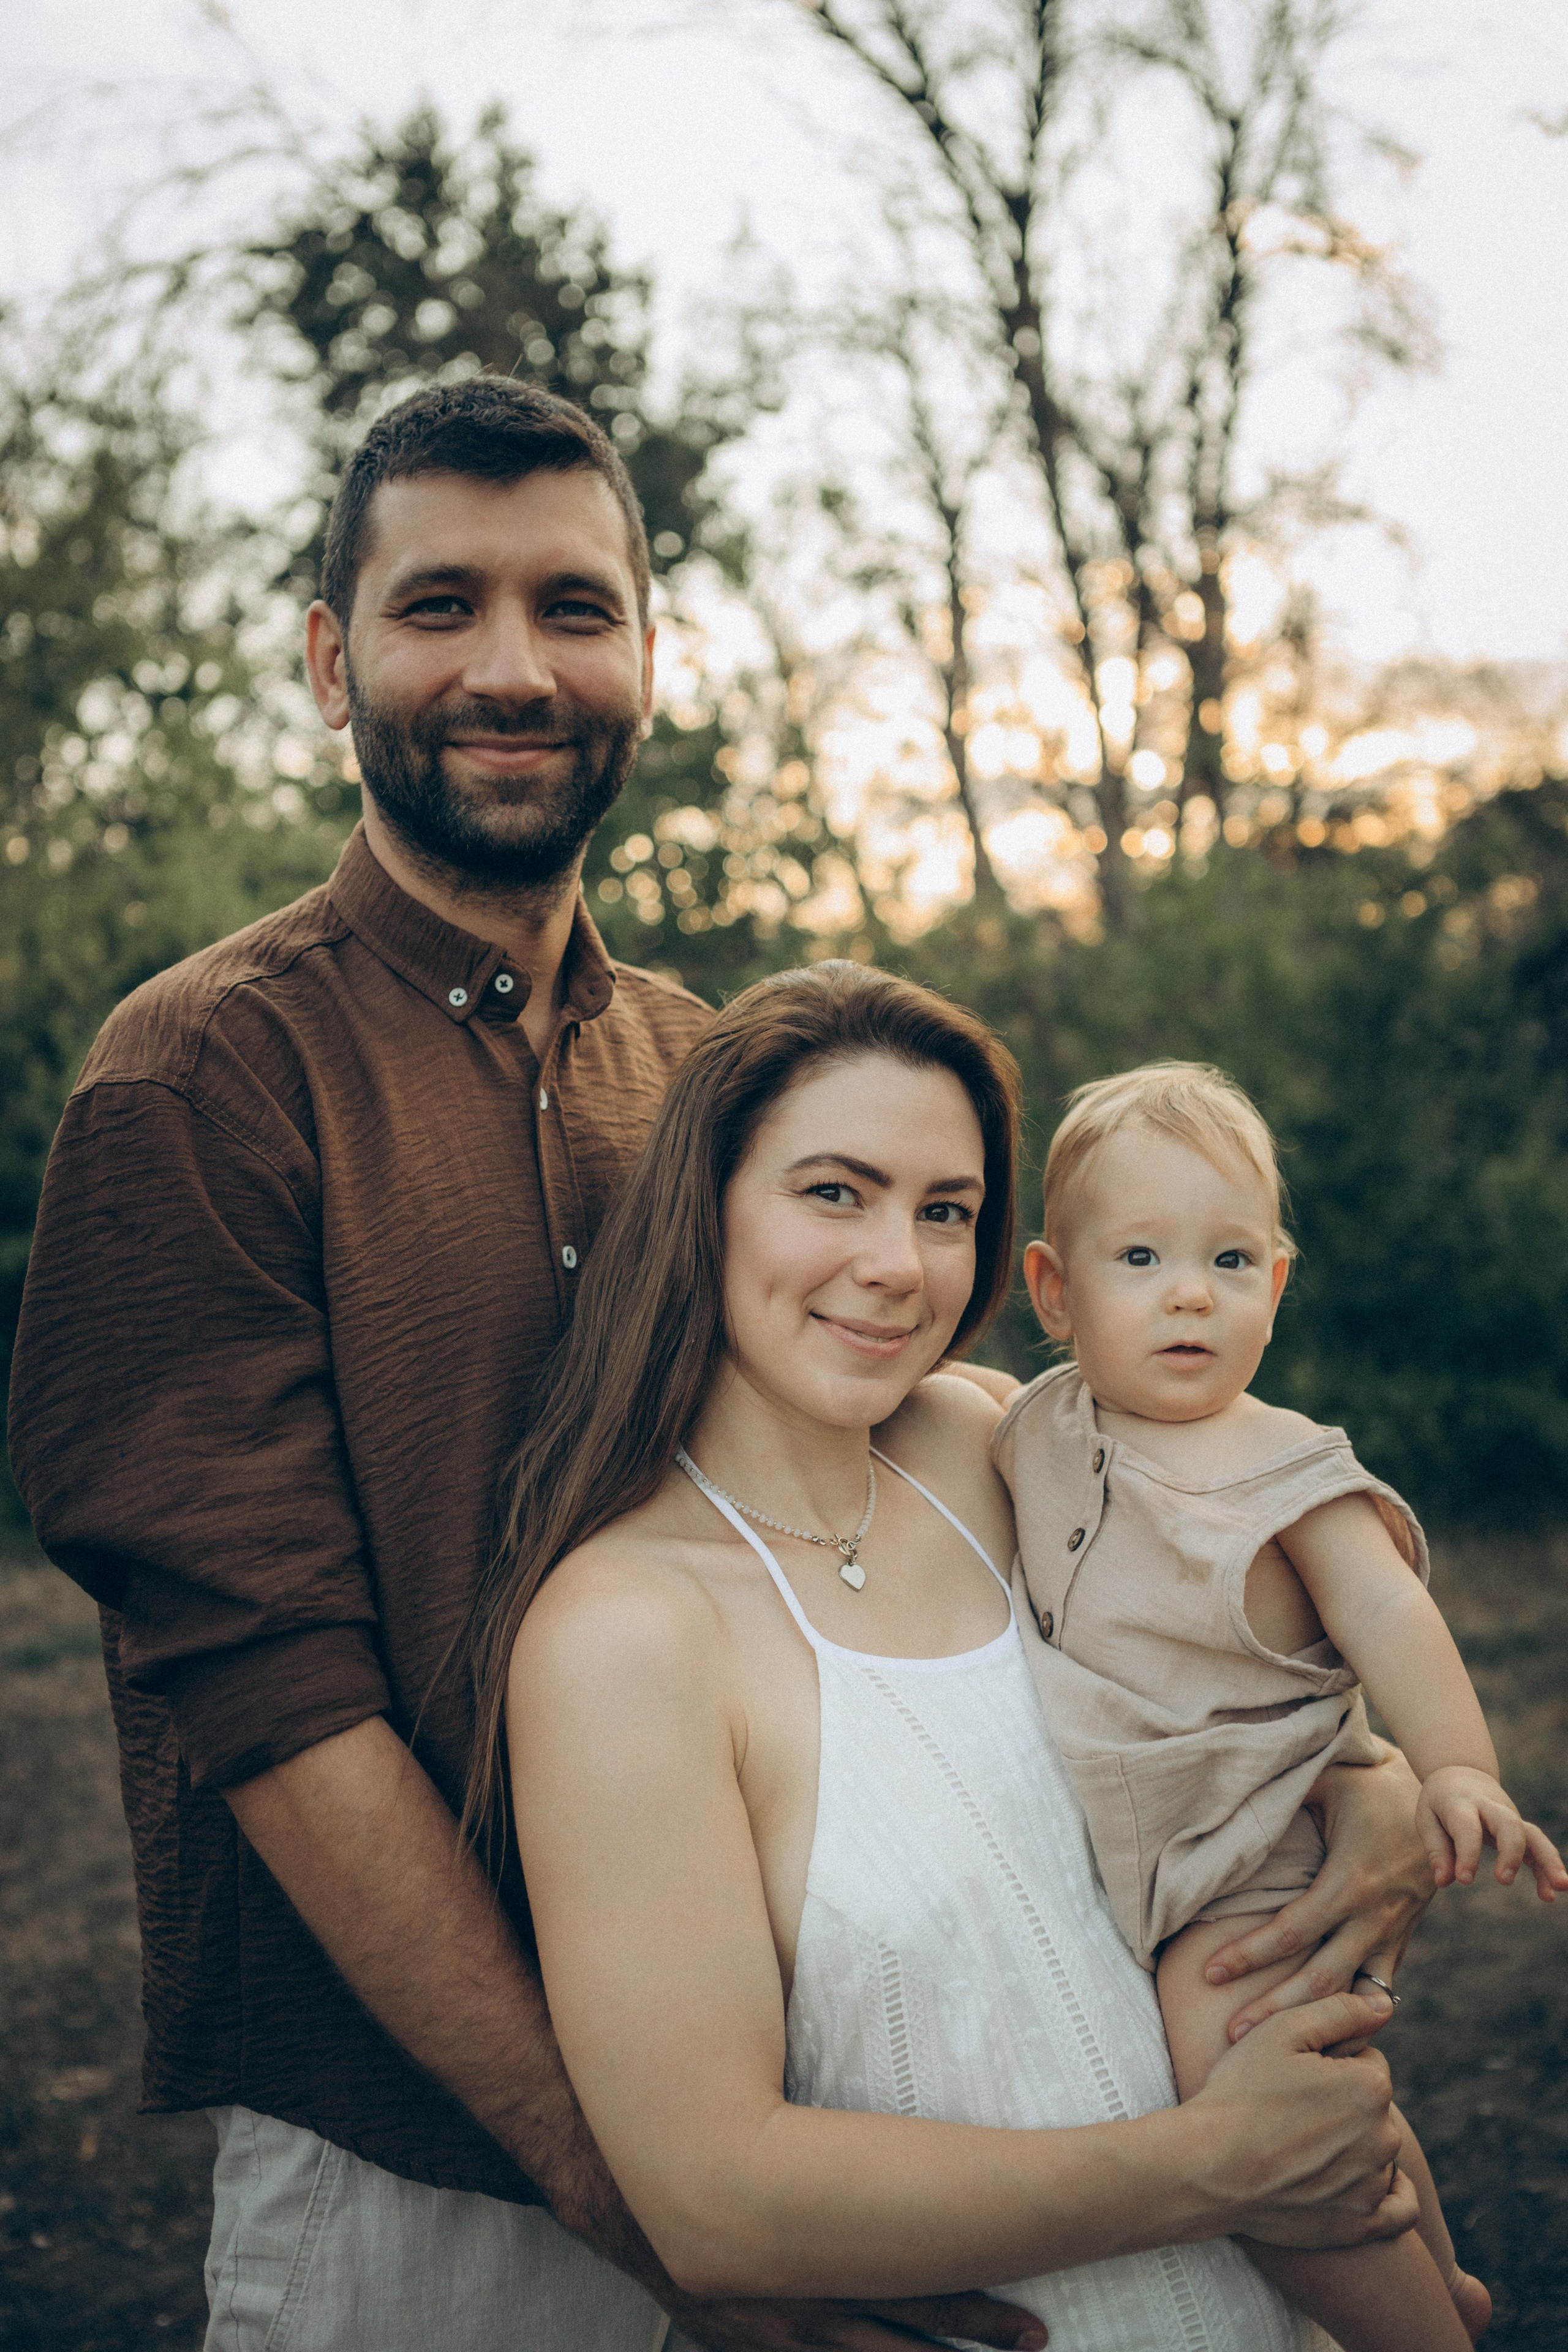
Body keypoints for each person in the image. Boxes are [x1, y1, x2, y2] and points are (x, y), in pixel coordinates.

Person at [8, 376, 1040, 2352]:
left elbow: (912, 1476)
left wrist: (1339, 1756)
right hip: (433, 2177)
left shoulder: (717, 1073)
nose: (513, 668)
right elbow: (272, 1697)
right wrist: (634, 2194)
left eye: (575, 608)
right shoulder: (200, 1078)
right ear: (331, 661)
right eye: (439, 606)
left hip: (807, 2088)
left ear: (649, 655)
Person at [473, 958, 1434, 2352]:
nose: (899, 1265)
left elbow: (1226, 1666)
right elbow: (711, 2200)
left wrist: (1370, 1783)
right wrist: (1214, 2166)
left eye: (945, 1211)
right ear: (704, 1204)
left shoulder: (1000, 1444)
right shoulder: (618, 1635)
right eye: (834, 1192)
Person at [997, 1060, 1568, 2351]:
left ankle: (1414, 2335)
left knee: (1250, 2118)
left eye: (1229, 1260)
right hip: (1141, 1862)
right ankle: (1443, 2284)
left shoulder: (1283, 1469)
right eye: (1139, 1257)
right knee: (1331, 2092)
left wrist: (1457, 1769)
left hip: (1249, 1865)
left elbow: (1386, 1613)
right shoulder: (1031, 1427)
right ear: (1053, 1289)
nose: (1190, 1292)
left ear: (1277, 1285)